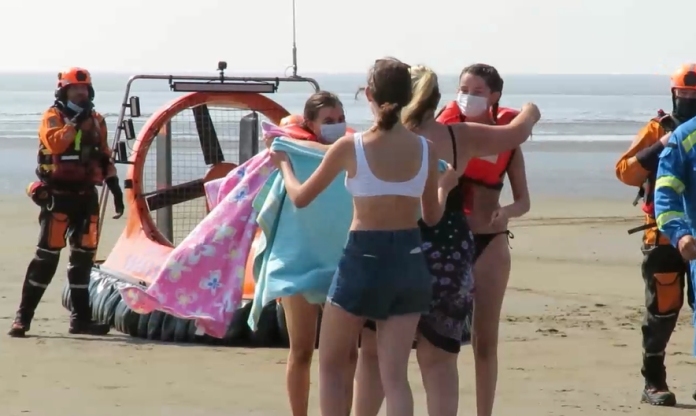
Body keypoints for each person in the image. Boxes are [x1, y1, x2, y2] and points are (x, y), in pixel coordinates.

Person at [352, 65, 540, 416]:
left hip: (391, 250)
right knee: (438, 361)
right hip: (449, 252)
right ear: (439, 99)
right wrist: (530, 110)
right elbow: (517, 132)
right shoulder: (458, 136)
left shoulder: (374, 141)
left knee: (375, 354)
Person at [271, 57, 448, 416]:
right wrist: (445, 189)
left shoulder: (352, 148)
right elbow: (431, 216)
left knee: (333, 365)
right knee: (395, 376)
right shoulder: (426, 150)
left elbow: (301, 198)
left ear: (367, 94)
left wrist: (285, 164)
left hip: (363, 259)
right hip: (410, 259)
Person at [432, 63, 531, 416]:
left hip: (490, 243)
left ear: (494, 96)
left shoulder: (507, 137)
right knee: (441, 342)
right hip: (448, 243)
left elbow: (524, 201)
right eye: (463, 90)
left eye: (476, 92)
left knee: (485, 341)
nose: (467, 97)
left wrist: (506, 212)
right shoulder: (447, 131)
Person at [9, 67, 123, 337]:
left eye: (84, 89)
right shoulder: (53, 117)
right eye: (75, 89)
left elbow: (103, 155)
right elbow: (57, 145)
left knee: (83, 259)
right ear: (64, 91)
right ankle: (22, 319)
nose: (81, 93)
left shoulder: (97, 120)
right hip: (57, 197)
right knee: (46, 258)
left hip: (86, 197)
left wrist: (115, 185)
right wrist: (74, 124)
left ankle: (81, 319)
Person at [264, 91, 358, 416]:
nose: (336, 126)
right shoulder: (293, 151)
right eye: (328, 121)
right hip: (300, 261)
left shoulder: (355, 152)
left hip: (343, 261)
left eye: (340, 119)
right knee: (302, 350)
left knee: (348, 353)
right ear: (310, 124)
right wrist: (284, 160)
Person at [631, 64, 696, 406]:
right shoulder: (658, 128)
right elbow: (625, 172)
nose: (687, 101)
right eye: (682, 95)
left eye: (694, 96)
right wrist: (661, 145)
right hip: (663, 237)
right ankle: (653, 382)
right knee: (662, 311)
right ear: (673, 95)